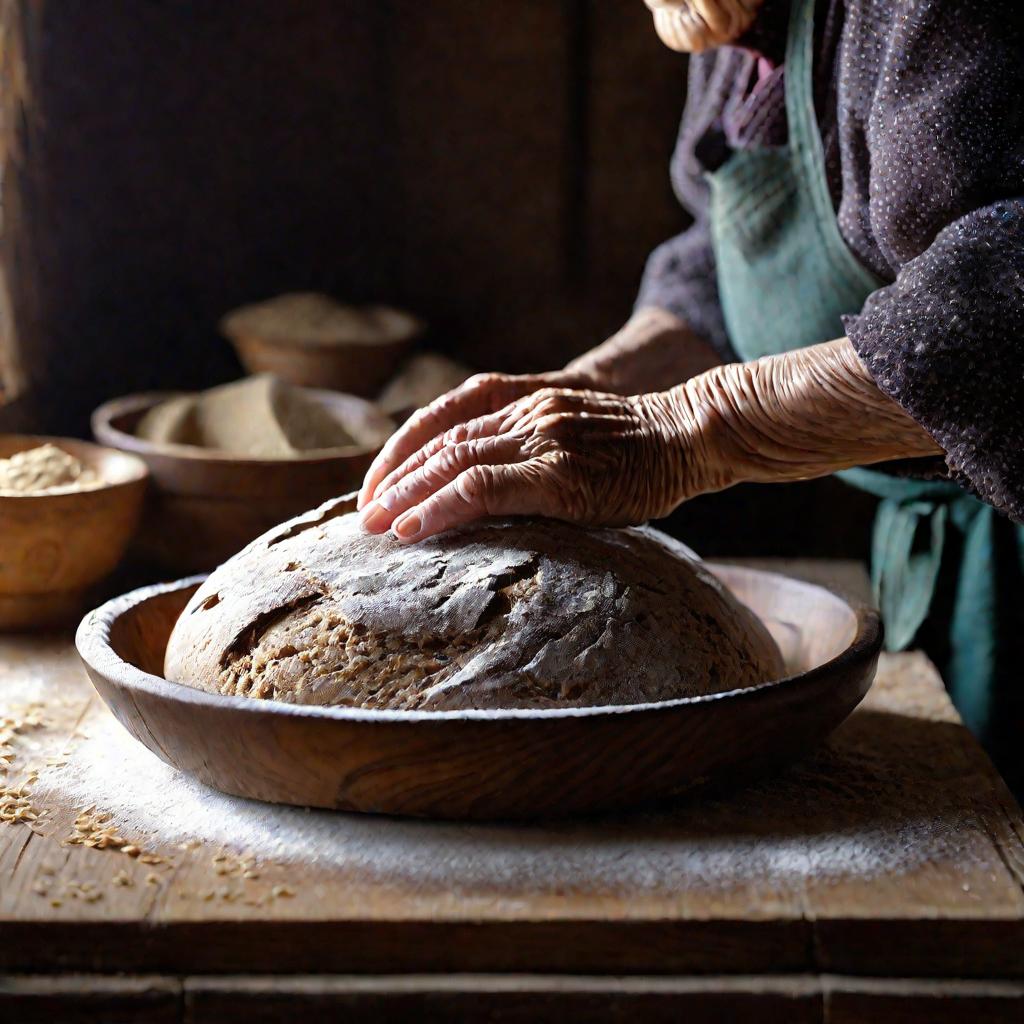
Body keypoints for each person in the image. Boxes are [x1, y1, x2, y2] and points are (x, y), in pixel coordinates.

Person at [358, 0, 1024, 769]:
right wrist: (590, 390)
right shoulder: (728, 21)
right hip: (930, 569)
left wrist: (682, 433)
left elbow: (996, 307)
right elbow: (725, 255)